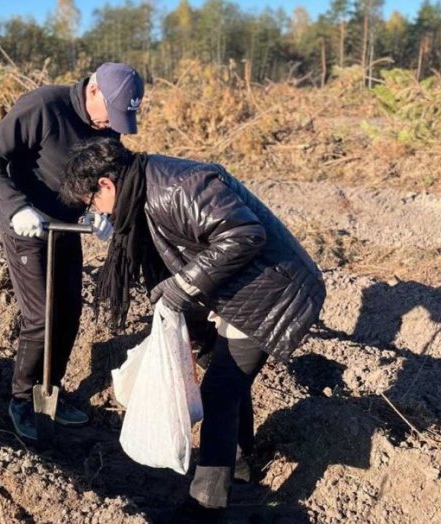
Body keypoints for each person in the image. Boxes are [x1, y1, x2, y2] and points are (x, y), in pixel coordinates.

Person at [60, 137, 326, 522]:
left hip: (270, 289)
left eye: (91, 203)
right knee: (225, 376)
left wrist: (183, 287)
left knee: (220, 390)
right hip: (240, 287)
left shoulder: (177, 187)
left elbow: (244, 234)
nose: (95, 211)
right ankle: (237, 463)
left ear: (106, 184)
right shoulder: (144, 187)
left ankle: (205, 505)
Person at [0, 63, 145, 441]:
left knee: (69, 311)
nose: (111, 126)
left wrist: (101, 212)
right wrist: (16, 206)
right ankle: (21, 399)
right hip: (27, 224)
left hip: (68, 225)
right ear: (94, 90)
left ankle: (50, 391)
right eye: (110, 114)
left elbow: (109, 174)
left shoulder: (108, 123)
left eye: (120, 119)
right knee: (42, 316)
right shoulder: (43, 107)